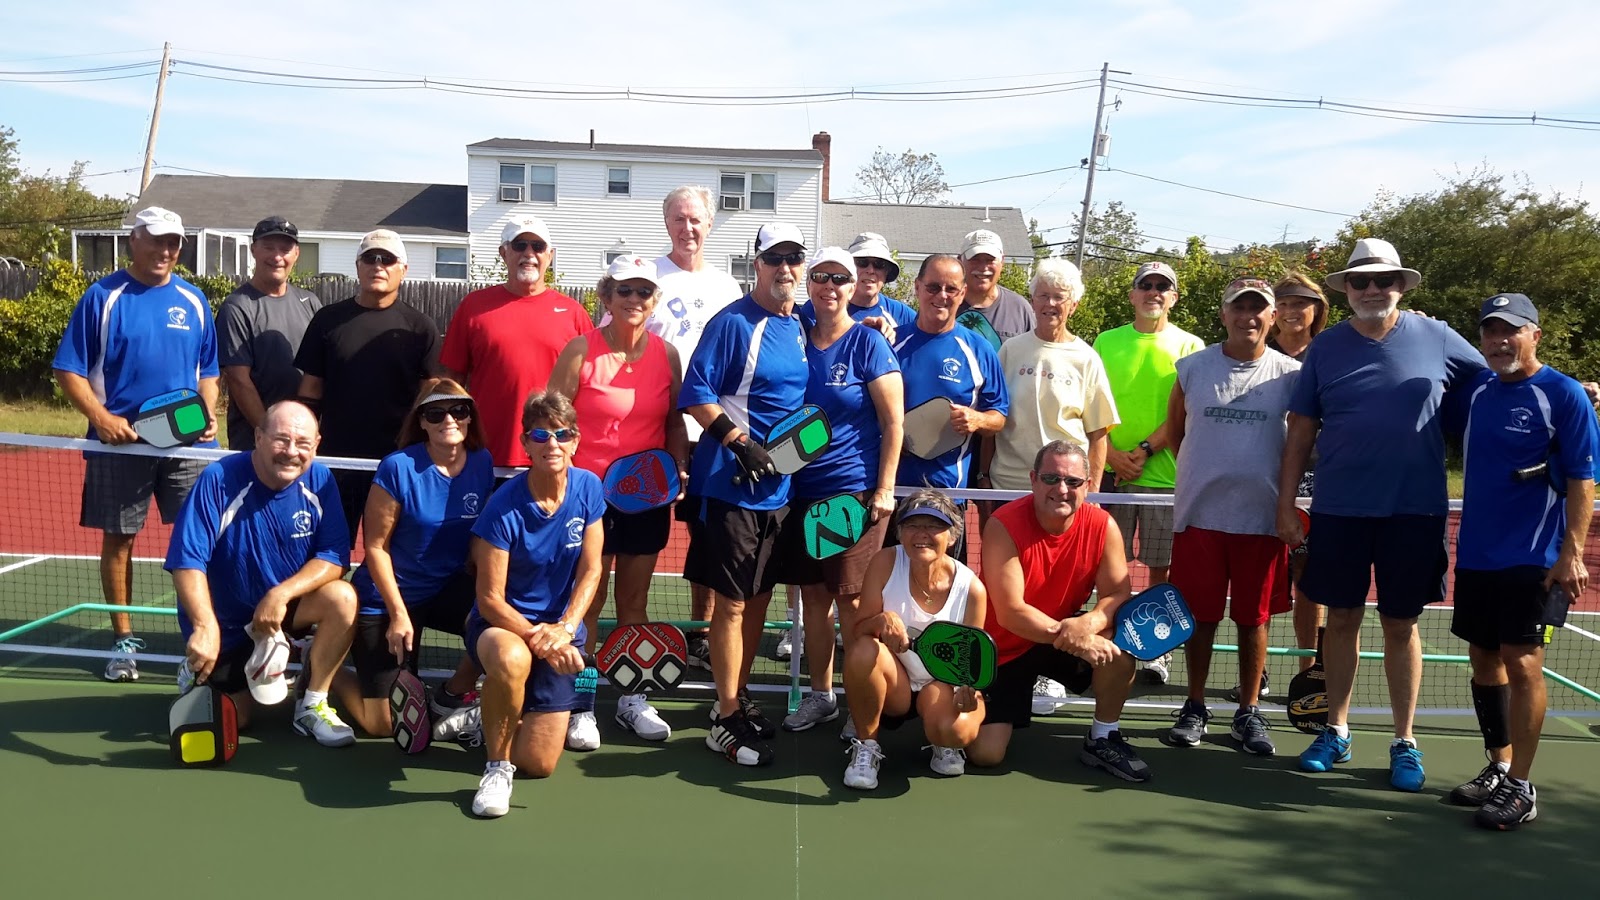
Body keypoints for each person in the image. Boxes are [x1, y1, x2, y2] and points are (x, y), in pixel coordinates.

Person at [1277, 238, 1484, 792]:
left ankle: (1404, 740)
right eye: (1361, 281)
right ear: (1346, 290)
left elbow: (1498, 379)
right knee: (1340, 620)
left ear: (1400, 285)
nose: (1372, 289)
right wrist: (1285, 502)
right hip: (1340, 510)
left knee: (1400, 624)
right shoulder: (1325, 349)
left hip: (1413, 511)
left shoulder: (1437, 335)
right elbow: (1301, 429)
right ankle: (1337, 730)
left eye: (1383, 280)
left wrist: (1565, 391)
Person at [1446, 293, 1596, 830]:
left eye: (1511, 330)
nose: (1499, 340)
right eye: (1490, 331)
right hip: (1478, 555)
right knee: (1483, 662)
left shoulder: (1564, 395)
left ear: (1535, 333)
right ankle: (1499, 764)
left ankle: (1522, 786)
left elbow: (1583, 480)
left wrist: (1570, 554)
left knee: (1523, 662)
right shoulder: (1478, 392)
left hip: (1533, 557)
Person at [51, 206, 220, 683]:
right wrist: (101, 419)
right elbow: (70, 367)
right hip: (120, 446)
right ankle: (123, 644)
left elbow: (208, 370)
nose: (166, 251)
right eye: (157, 240)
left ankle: (207, 639)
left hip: (187, 448)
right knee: (120, 541)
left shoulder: (193, 299)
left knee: (203, 542)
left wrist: (207, 412)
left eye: (174, 243)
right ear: (133, 241)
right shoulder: (103, 297)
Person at [679, 222, 811, 766]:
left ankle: (738, 698)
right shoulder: (733, 323)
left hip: (780, 492)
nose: (785, 269)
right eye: (774, 259)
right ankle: (725, 713)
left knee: (757, 599)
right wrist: (738, 442)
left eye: (793, 259)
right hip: (730, 491)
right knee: (731, 604)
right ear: (755, 264)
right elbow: (696, 393)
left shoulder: (800, 325)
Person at [548, 255, 689, 748]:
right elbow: (554, 420)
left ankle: (631, 697)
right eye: (624, 291)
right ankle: (580, 703)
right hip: (586, 496)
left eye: (643, 293)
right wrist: (564, 481)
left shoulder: (667, 354)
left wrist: (676, 466)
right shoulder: (579, 350)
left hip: (647, 497)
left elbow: (674, 420)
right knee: (587, 601)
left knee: (634, 601)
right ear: (606, 298)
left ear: (653, 302)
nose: (634, 300)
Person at [165, 401, 357, 746]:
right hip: (228, 626)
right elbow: (187, 559)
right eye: (281, 440)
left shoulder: (320, 479)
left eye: (303, 444)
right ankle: (195, 669)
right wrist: (205, 627)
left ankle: (312, 706)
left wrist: (280, 594)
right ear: (258, 437)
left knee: (342, 597)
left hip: (279, 613)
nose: (291, 452)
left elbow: (333, 558)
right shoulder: (219, 480)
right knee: (235, 721)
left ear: (316, 445)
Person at [1164, 279, 1300, 757]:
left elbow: (1303, 443)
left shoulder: (1292, 373)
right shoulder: (1192, 369)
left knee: (1253, 619)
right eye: (1238, 309)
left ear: (1272, 318)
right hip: (1199, 516)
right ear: (1223, 315)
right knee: (1199, 618)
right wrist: (1206, 474)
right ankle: (1195, 705)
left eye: (1257, 310)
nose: (1248, 317)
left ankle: (1248, 710)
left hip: (1262, 520)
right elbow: (1176, 432)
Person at [969, 440, 1147, 781]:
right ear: (1034, 480)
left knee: (1120, 650)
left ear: (1088, 484)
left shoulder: (1103, 526)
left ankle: (1103, 737)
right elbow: (1010, 612)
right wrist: (1075, 638)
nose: (1061, 489)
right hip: (1002, 648)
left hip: (1059, 636)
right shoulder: (1003, 524)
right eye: (1051, 479)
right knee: (986, 755)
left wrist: (1092, 622)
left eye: (1073, 482)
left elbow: (1117, 593)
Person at [779, 248, 903, 734]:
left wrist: (884, 489)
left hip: (851, 494)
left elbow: (894, 422)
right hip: (800, 492)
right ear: (809, 284)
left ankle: (860, 702)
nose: (829, 285)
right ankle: (822, 696)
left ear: (854, 288)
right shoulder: (795, 340)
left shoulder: (869, 345)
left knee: (853, 603)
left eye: (839, 278)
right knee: (812, 599)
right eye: (820, 277)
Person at [466, 391, 606, 819]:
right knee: (511, 661)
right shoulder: (503, 506)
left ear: (576, 441)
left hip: (560, 629)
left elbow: (592, 571)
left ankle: (499, 711)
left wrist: (564, 629)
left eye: (562, 434)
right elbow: (489, 598)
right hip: (503, 627)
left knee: (541, 764)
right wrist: (538, 638)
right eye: (541, 435)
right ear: (526, 443)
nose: (553, 444)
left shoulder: (588, 487)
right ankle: (496, 768)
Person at [341, 379, 493, 741]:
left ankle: (453, 694)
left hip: (445, 588)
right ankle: (326, 667)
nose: (449, 420)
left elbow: (479, 537)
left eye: (459, 410)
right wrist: (397, 614)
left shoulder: (482, 462)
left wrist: (488, 591)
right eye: (436, 413)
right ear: (421, 421)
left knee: (498, 627)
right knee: (382, 726)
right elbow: (375, 547)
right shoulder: (398, 467)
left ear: (470, 417)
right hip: (387, 598)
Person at [642, 186, 745, 671]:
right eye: (679, 219)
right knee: (642, 537)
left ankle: (702, 632)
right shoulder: (648, 277)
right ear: (667, 224)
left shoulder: (728, 287)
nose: (688, 228)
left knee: (709, 536)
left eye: (696, 220)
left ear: (710, 224)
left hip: (716, 431)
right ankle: (631, 633)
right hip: (660, 430)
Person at [1092, 260, 1204, 685]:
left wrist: (1142, 450)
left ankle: (1159, 652)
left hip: (1164, 480)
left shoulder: (1190, 346)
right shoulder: (1105, 341)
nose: (1154, 292)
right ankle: (1103, 640)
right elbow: (1093, 403)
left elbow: (1187, 409)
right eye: (1146, 285)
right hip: (1111, 478)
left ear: (1174, 297)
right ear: (1133, 294)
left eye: (1163, 287)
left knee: (1161, 572)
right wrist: (1112, 456)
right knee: (1104, 569)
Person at [295, 230, 441, 547]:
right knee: (327, 548)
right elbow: (310, 390)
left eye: (387, 259)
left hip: (397, 465)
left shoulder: (421, 328)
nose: (378, 266)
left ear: (403, 268)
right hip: (336, 463)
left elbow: (429, 396)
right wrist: (304, 442)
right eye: (370, 258)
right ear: (358, 266)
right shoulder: (327, 320)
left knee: (392, 551)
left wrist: (418, 449)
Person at [842, 490, 987, 789]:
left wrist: (965, 688)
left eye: (934, 526)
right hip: (895, 681)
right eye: (912, 525)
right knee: (862, 651)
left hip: (940, 682)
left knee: (957, 732)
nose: (922, 534)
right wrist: (880, 622)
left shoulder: (972, 589)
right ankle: (866, 746)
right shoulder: (885, 562)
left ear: (952, 535)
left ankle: (942, 741)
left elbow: (970, 660)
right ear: (900, 531)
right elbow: (859, 632)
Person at [441, 216, 593, 468]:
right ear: (504, 252)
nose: (529, 253)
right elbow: (451, 383)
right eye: (520, 245)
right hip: (486, 455)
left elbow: (590, 392)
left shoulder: (573, 313)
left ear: (550, 255)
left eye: (538, 246)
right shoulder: (474, 307)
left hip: (551, 458)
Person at [893, 254, 1009, 563]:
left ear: (962, 293)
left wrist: (976, 418)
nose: (941, 296)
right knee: (888, 590)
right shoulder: (890, 344)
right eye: (933, 287)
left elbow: (1000, 417)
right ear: (917, 288)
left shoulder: (979, 349)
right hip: (893, 491)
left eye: (951, 289)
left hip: (948, 493)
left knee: (945, 588)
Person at [987, 257, 1118, 494]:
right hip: (1009, 486)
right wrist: (984, 475)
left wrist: (1093, 491)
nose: (1050, 303)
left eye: (1059, 297)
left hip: (1063, 490)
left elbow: (1098, 435)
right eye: (1043, 295)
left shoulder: (1086, 358)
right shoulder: (1010, 350)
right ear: (1033, 302)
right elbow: (993, 416)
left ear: (1074, 305)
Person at [1263, 272, 1330, 694]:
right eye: (1282, 303)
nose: (1290, 311)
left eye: (1300, 303)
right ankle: (1259, 671)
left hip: (1321, 485)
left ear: (1317, 310)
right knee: (1265, 583)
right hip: (1266, 481)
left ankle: (1311, 670)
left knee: (1311, 583)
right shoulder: (1256, 355)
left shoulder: (1331, 354)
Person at [217, 216, 324, 451]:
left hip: (301, 442)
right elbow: (238, 380)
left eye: (285, 249)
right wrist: (269, 435)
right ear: (254, 250)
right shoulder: (237, 306)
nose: (277, 257)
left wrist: (304, 435)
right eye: (268, 247)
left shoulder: (310, 303)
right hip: (256, 442)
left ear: (296, 254)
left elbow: (319, 372)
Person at [796, 232, 917, 334]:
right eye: (862, 262)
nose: (870, 270)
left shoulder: (902, 314)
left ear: (887, 273)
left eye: (879, 265)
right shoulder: (817, 308)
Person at [957, 228, 1035, 346]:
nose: (983, 267)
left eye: (990, 260)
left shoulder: (1020, 309)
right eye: (974, 259)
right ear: (960, 261)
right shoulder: (943, 305)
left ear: (1002, 262)